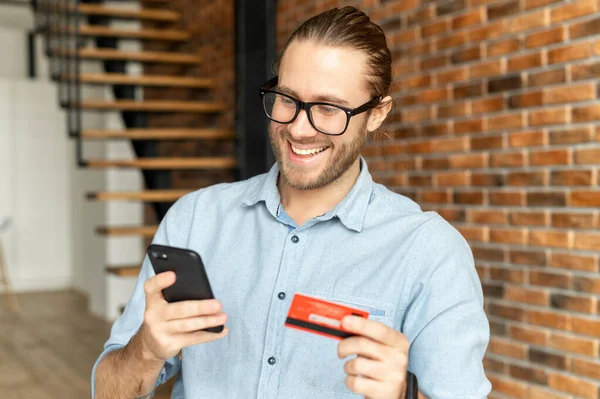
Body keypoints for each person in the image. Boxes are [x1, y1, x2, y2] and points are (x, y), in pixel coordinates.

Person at [92, 6, 491, 399]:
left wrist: (405, 395)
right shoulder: (195, 220)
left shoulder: (430, 252)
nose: (299, 128)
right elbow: (106, 391)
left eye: (328, 108)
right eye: (287, 99)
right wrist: (145, 350)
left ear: (376, 114)